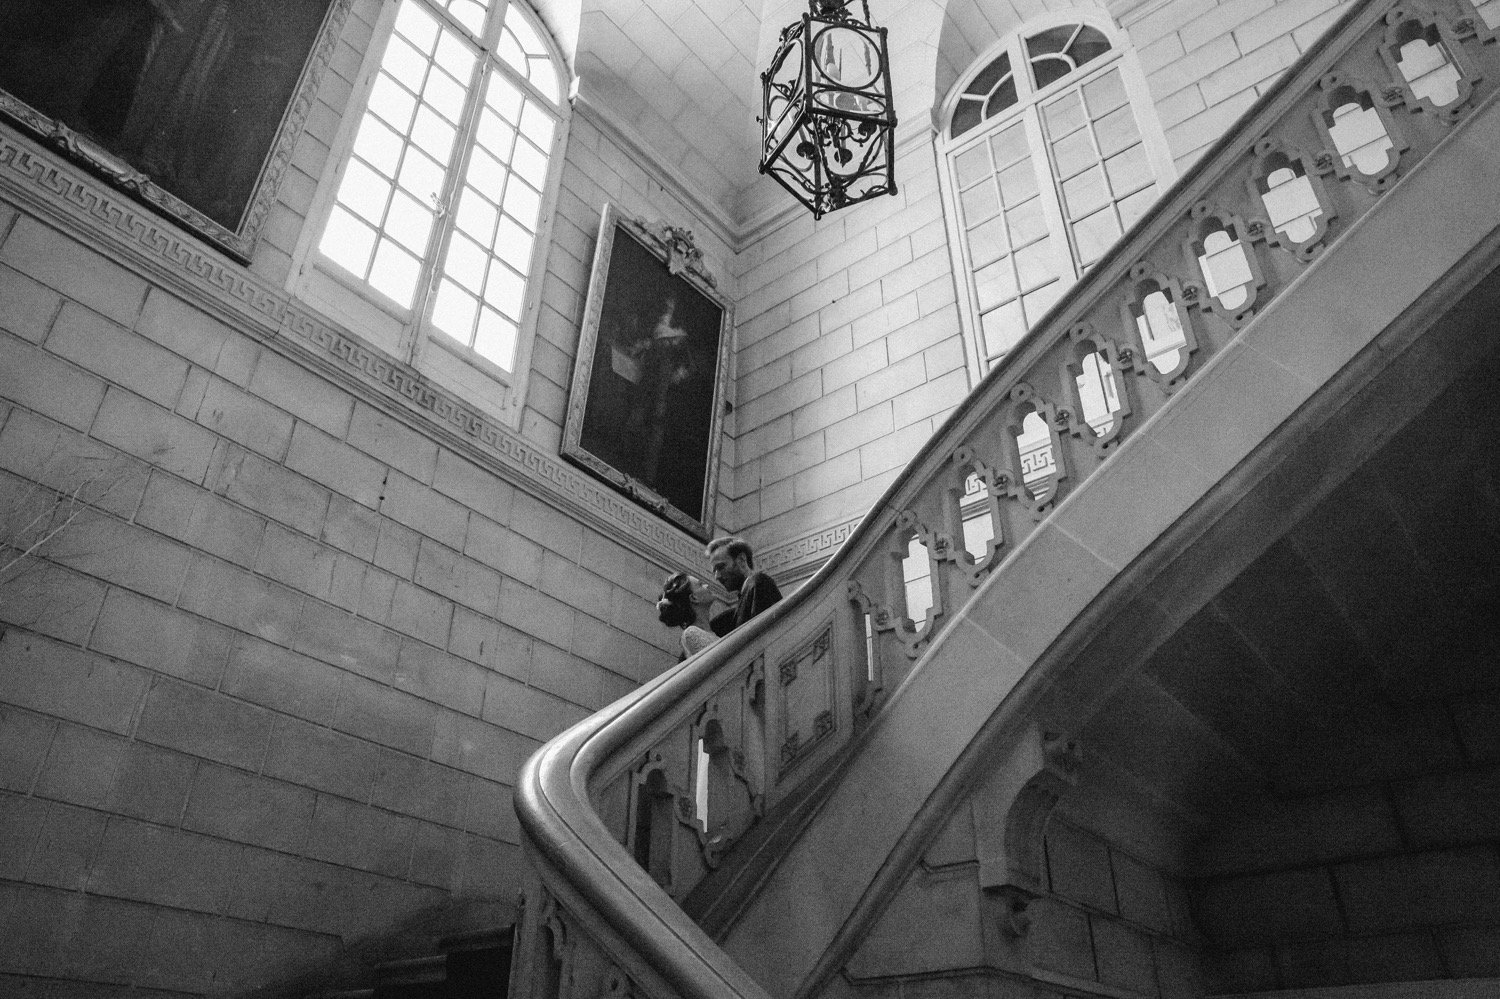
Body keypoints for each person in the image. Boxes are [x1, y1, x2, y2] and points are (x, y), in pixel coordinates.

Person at [705, 537, 782, 638]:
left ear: (741, 559)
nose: (717, 576)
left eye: (721, 567)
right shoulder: (748, 592)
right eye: (714, 571)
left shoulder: (758, 583)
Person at [657, 571, 720, 660]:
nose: (707, 586)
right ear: (694, 598)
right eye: (701, 585)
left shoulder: (711, 632)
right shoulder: (691, 633)